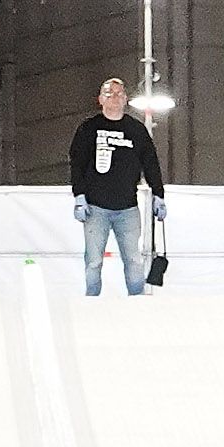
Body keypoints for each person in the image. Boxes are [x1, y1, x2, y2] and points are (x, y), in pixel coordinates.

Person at [70, 79, 165, 297]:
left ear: (126, 99)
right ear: (101, 99)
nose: (116, 97)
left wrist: (158, 194)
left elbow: (150, 163)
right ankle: (92, 302)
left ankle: (136, 302)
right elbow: (77, 163)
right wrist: (79, 195)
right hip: (96, 208)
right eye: (110, 93)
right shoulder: (89, 129)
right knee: (93, 260)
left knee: (133, 259)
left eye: (120, 93)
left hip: (127, 208)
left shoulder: (136, 130)